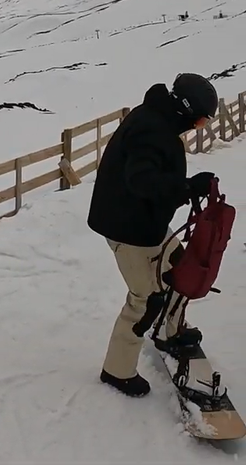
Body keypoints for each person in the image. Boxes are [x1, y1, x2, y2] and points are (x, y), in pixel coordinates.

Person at [87, 72, 220, 397]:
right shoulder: (151, 130)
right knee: (146, 299)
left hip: (146, 222)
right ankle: (116, 371)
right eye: (200, 122)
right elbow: (142, 180)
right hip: (127, 227)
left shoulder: (158, 119)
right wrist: (186, 188)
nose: (197, 127)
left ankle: (169, 331)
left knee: (181, 268)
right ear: (186, 111)